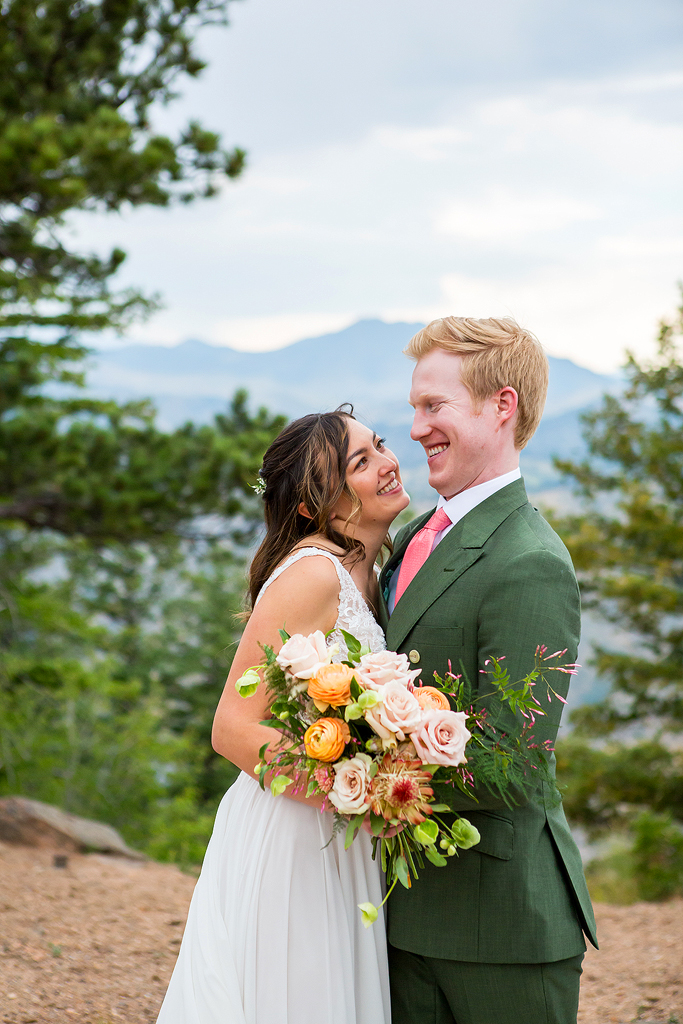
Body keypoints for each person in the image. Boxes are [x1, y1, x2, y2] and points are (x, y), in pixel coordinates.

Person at [156, 407, 409, 1024]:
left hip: (336, 827)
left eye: (378, 446)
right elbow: (233, 728)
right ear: (311, 505)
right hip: (297, 831)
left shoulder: (369, 571)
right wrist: (358, 792)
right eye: (361, 462)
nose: (387, 463)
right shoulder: (314, 574)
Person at [378, 317, 598, 1024]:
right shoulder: (415, 535)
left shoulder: (528, 561)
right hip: (400, 914)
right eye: (414, 407)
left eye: (432, 406)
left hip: (499, 927)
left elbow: (511, 764)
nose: (414, 428)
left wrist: (359, 777)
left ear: (500, 406)